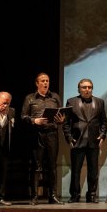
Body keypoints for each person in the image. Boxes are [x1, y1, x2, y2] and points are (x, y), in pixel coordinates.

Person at [21, 72, 66, 205]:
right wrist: (35, 120)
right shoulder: (30, 98)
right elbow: (23, 116)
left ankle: (53, 196)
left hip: (52, 133)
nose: (46, 83)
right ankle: (34, 196)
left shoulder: (55, 97)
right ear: (37, 83)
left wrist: (61, 120)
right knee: (37, 166)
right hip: (37, 134)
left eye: (47, 80)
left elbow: (61, 114)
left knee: (52, 166)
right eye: (43, 81)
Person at [63, 78, 107, 203]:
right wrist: (69, 138)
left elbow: (104, 122)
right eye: (84, 87)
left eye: (89, 87)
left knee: (93, 171)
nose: (87, 89)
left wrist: (102, 135)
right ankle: (75, 195)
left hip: (93, 141)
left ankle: (92, 195)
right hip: (77, 141)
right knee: (76, 171)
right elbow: (66, 123)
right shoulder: (71, 101)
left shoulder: (100, 102)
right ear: (79, 89)